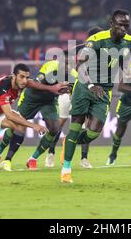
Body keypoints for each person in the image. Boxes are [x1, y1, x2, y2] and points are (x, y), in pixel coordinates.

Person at [60, 9, 131, 183]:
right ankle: (66, 170)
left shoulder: (130, 42)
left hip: (104, 91)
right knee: (77, 126)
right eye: (120, 25)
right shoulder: (96, 40)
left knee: (94, 132)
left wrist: (127, 70)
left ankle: (69, 141)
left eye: (126, 25)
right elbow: (80, 65)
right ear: (111, 24)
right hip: (85, 87)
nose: (124, 29)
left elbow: (123, 60)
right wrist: (92, 84)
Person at [0, 54, 73, 172]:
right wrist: (53, 88)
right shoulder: (50, 66)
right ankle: (1, 155)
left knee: (54, 129)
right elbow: (36, 83)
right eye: (65, 62)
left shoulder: (73, 74)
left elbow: (77, 89)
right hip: (32, 97)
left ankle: (32, 159)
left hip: (49, 101)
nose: (68, 66)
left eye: (70, 63)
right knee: (17, 125)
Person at [45, 27, 104, 169]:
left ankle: (84, 158)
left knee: (85, 126)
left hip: (87, 92)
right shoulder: (80, 50)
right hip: (71, 92)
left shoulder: (104, 51)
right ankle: (51, 153)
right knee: (59, 124)